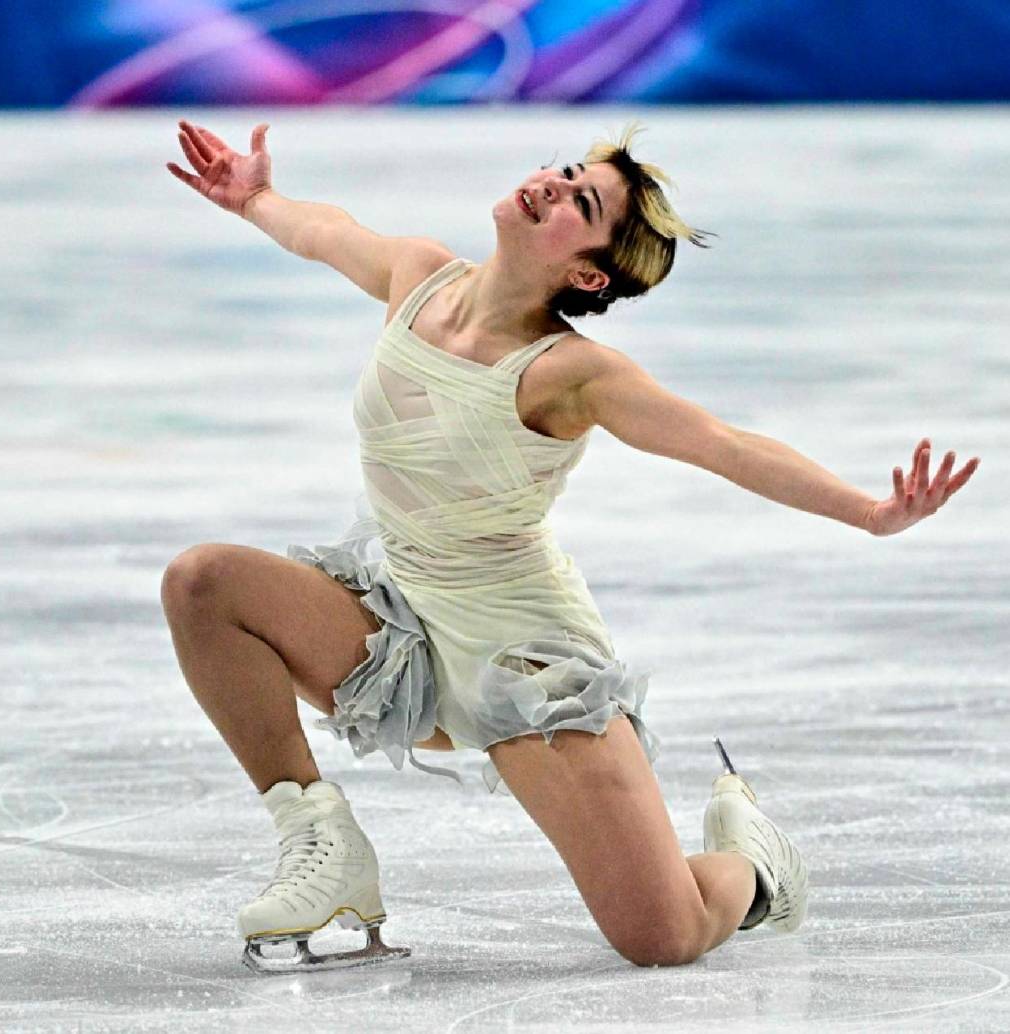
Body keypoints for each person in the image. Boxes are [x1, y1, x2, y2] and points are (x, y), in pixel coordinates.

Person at [161, 119, 980, 973]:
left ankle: (752, 863)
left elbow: (722, 444)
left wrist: (867, 511)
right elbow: (325, 231)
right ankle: (324, 847)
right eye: (561, 172)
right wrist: (254, 197)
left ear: (587, 271)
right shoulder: (417, 276)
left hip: (524, 662)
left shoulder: (572, 374)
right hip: (397, 631)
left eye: (578, 200)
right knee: (204, 585)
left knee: (664, 936)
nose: (550, 184)